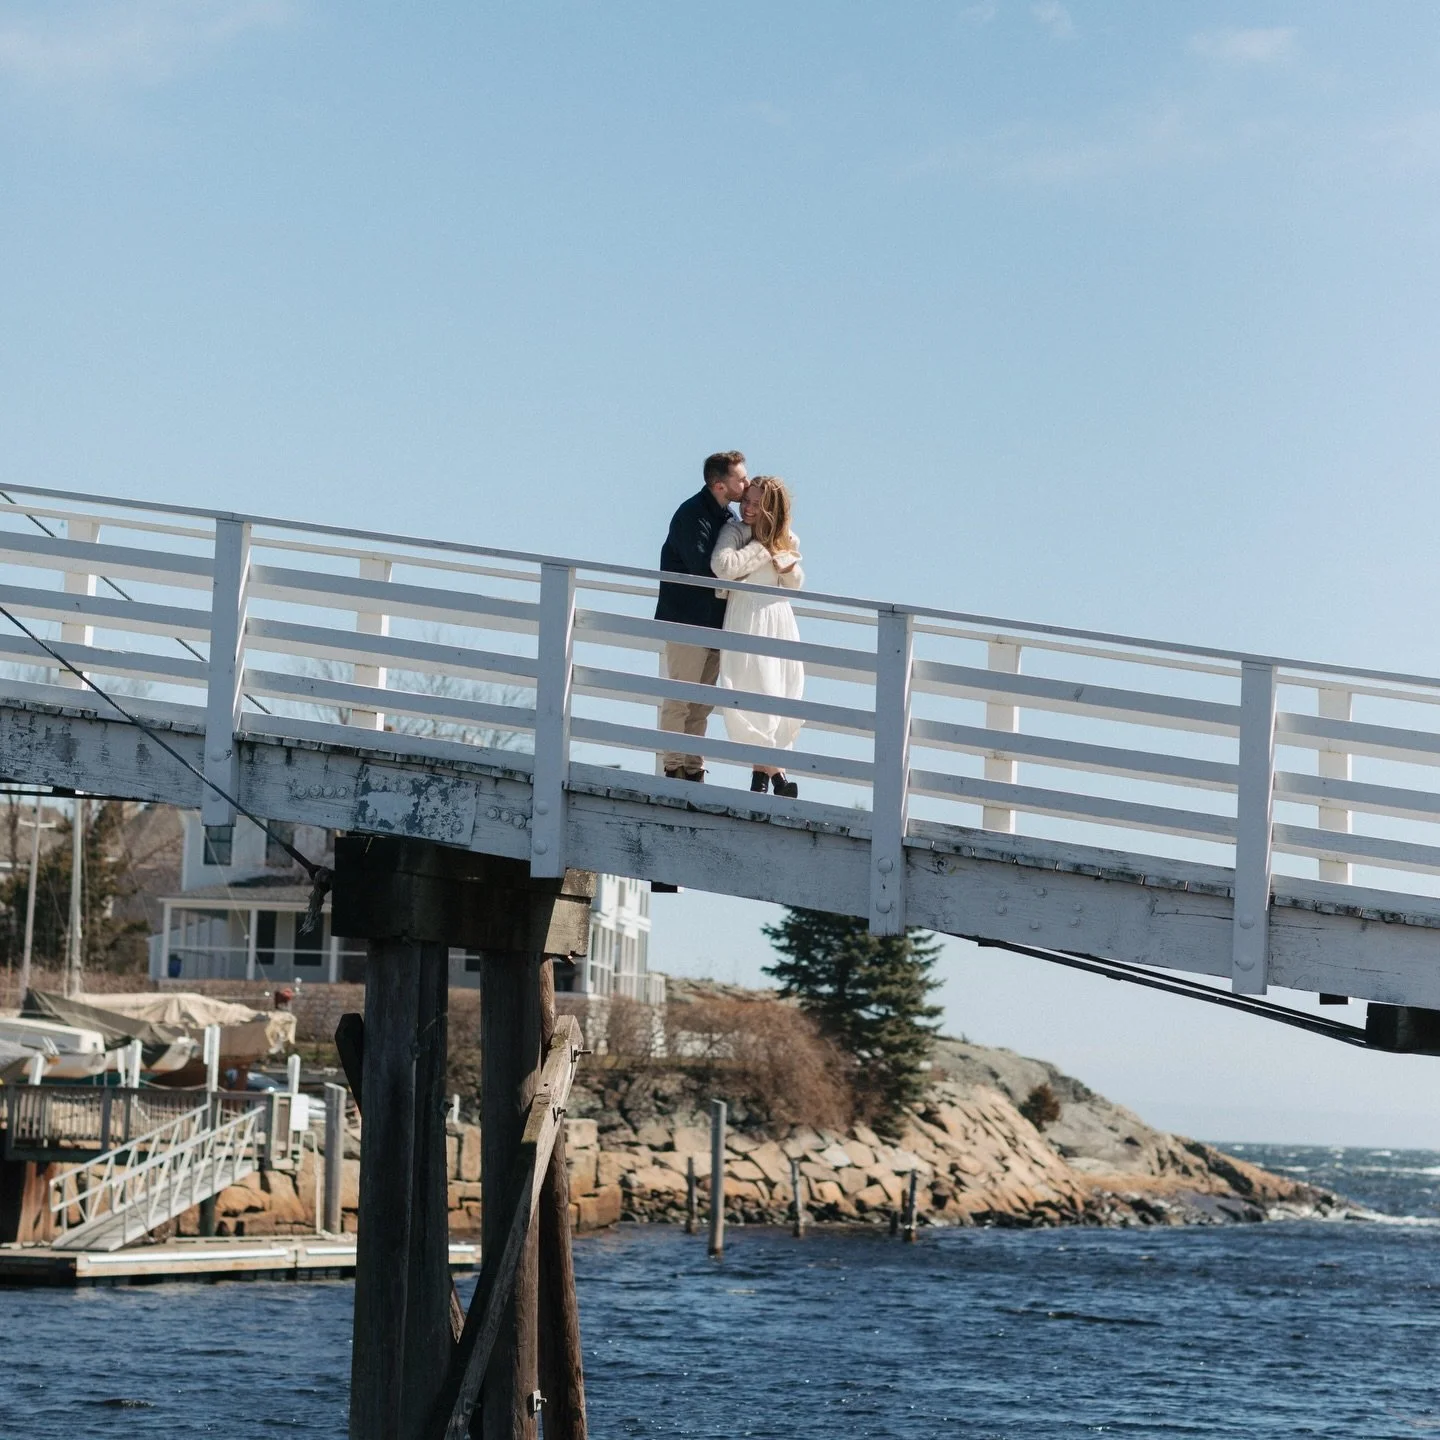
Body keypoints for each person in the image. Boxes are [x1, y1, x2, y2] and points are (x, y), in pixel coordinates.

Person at [654, 450, 749, 779]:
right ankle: (672, 767)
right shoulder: (692, 514)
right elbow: (701, 568)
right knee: (681, 698)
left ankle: (693, 769)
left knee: (702, 704)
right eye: (740, 478)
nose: (746, 483)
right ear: (720, 485)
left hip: (713, 623)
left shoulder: (727, 519)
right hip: (686, 620)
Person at [710, 476, 805, 797]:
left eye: (757, 503)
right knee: (753, 690)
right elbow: (722, 566)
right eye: (746, 501)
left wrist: (788, 565)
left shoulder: (787, 538)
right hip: (745, 617)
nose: (748, 508)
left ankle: (760, 780)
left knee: (777, 694)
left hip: (777, 619)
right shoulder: (736, 531)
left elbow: (795, 584)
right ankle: (777, 776)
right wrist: (763, 548)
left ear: (771, 508)